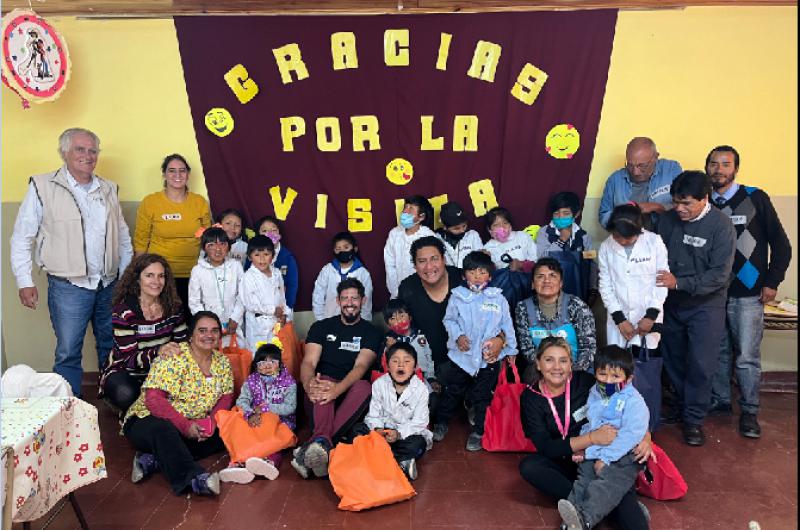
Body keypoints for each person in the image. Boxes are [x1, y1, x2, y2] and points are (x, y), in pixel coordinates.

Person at [10, 127, 133, 396]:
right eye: (80, 149)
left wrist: (125, 279)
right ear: (64, 152)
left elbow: (122, 237)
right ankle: (68, 409)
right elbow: (22, 237)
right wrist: (24, 281)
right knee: (68, 351)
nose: (87, 156)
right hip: (68, 287)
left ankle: (114, 401)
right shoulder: (43, 186)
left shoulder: (108, 189)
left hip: (109, 284)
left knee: (111, 346)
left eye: (92, 151)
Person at [520, 337, 651, 530]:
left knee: (632, 522)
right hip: (568, 458)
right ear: (538, 363)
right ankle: (600, 504)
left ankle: (596, 505)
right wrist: (590, 439)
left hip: (604, 456)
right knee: (530, 467)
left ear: (571, 364)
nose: (557, 367)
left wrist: (646, 437)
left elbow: (628, 408)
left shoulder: (588, 382)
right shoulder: (530, 398)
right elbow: (546, 447)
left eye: (563, 360)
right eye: (549, 360)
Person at [705, 146, 792, 438]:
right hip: (714, 293)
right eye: (714, 164)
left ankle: (750, 411)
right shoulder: (703, 202)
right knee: (718, 351)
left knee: (746, 356)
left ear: (736, 169)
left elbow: (782, 245)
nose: (719, 169)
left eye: (725, 164)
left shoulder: (756, 198)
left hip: (748, 293)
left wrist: (772, 282)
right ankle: (720, 402)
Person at [656, 170, 736, 446]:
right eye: (676, 202)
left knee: (701, 363)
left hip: (706, 305)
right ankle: (679, 406)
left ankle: (693, 420)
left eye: (687, 203)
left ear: (705, 199)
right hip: (672, 304)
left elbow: (719, 276)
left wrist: (679, 282)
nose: (680, 208)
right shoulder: (667, 221)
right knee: (674, 359)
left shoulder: (721, 226)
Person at [122, 311, 233, 497]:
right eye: (202, 330)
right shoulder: (174, 356)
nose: (209, 335)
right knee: (164, 431)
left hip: (193, 422)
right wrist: (185, 426)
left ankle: (152, 459)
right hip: (148, 420)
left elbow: (226, 396)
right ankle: (195, 479)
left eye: (214, 331)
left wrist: (212, 423)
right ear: (191, 334)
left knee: (225, 431)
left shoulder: (222, 362)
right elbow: (154, 400)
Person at [292, 278, 383, 479]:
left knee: (364, 386)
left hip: (350, 396)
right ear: (338, 301)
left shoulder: (371, 332)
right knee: (322, 380)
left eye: (354, 298)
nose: (350, 302)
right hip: (319, 396)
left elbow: (361, 367)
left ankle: (315, 446)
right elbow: (308, 363)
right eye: (345, 298)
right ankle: (323, 444)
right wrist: (309, 385)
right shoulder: (321, 327)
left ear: (363, 300)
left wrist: (337, 390)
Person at [557, 346, 650, 530]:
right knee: (583, 482)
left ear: (629, 378)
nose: (607, 381)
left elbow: (630, 435)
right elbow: (592, 423)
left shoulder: (634, 401)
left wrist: (606, 458)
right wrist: (586, 448)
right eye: (602, 374)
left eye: (615, 377)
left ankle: (585, 520)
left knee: (604, 486)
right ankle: (570, 523)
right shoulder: (595, 392)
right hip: (596, 450)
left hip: (624, 455)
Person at [434, 251, 517, 451]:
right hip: (462, 356)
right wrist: (458, 336)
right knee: (453, 390)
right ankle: (442, 422)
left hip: (488, 358)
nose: (477, 276)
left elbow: (507, 325)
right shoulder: (457, 297)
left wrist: (512, 349)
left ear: (490, 275)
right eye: (472, 271)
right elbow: (449, 320)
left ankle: (479, 431)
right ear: (464, 276)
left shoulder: (498, 299)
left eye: (482, 272)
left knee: (483, 396)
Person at [99, 254, 187, 413]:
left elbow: (183, 344)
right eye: (149, 275)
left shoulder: (174, 307)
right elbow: (129, 360)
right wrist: (159, 351)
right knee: (125, 394)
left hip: (163, 371)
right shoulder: (124, 312)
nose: (156, 282)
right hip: (127, 372)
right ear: (137, 279)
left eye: (161, 276)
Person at [134, 153, 211, 309]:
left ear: (188, 174)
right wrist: (138, 275)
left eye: (182, 170)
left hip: (195, 273)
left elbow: (207, 239)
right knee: (163, 320)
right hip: (159, 276)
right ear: (164, 174)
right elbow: (141, 240)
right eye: (172, 170)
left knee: (192, 321)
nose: (177, 175)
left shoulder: (199, 202)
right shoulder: (150, 202)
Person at [219, 341, 297, 484]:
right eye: (262, 362)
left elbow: (290, 407)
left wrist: (266, 409)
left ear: (280, 364)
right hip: (255, 418)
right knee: (237, 422)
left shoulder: (288, 382)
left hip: (280, 421)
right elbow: (242, 401)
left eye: (272, 362)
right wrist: (250, 414)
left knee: (273, 440)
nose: (267, 366)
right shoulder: (251, 381)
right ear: (256, 366)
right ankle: (237, 463)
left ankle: (269, 463)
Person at [355, 342, 432, 481]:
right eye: (395, 361)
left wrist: (398, 434)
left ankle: (379, 459)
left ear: (415, 366)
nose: (401, 365)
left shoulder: (421, 389)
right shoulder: (379, 384)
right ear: (388, 366)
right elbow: (373, 414)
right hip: (381, 434)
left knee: (418, 444)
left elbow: (420, 422)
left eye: (407, 361)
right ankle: (400, 461)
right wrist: (378, 430)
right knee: (357, 431)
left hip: (403, 436)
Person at [598, 204, 668, 351]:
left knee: (646, 365)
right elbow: (605, 285)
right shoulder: (606, 247)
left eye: (628, 238)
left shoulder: (655, 242)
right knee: (618, 366)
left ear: (639, 230)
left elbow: (662, 281)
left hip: (648, 316)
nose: (622, 241)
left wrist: (651, 316)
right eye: (617, 237)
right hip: (618, 319)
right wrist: (619, 319)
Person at [515, 258, 597, 375]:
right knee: (530, 374)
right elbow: (527, 349)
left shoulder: (576, 305)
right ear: (533, 284)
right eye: (540, 276)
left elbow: (588, 347)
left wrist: (572, 372)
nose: (546, 280)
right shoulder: (523, 308)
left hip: (575, 368)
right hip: (543, 370)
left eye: (552, 275)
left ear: (561, 283)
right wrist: (549, 370)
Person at [598, 137, 683, 231]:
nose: (635, 172)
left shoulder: (671, 170)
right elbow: (604, 217)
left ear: (656, 157)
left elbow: (684, 205)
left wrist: (659, 207)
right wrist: (624, 216)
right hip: (629, 240)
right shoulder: (615, 180)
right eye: (630, 165)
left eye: (642, 166)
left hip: (666, 238)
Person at [536, 191, 598, 304]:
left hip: (577, 288)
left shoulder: (583, 236)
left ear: (576, 214)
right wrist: (561, 240)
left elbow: (591, 263)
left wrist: (593, 288)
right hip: (550, 290)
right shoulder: (544, 232)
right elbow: (540, 259)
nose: (560, 217)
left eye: (566, 213)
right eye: (556, 213)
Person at [188, 226, 244, 344]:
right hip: (209, 329)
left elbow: (243, 295)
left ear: (228, 247)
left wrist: (235, 318)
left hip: (232, 324)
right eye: (211, 245)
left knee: (235, 356)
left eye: (223, 244)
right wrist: (209, 324)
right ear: (204, 248)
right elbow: (194, 302)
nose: (218, 249)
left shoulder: (235, 266)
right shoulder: (198, 270)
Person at [238, 235, 290, 352]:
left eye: (266, 255)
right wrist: (273, 310)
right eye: (257, 255)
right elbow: (250, 304)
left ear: (273, 256)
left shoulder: (276, 273)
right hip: (258, 326)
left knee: (277, 356)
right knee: (259, 357)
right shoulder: (248, 277)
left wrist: (284, 314)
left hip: (276, 324)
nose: (262, 259)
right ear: (250, 257)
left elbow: (282, 298)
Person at [312, 231, 374, 322]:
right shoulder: (327, 270)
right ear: (334, 251)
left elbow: (366, 302)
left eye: (346, 247)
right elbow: (318, 296)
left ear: (355, 249)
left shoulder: (363, 273)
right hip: (329, 320)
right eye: (338, 248)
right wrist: (321, 320)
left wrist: (363, 324)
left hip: (355, 323)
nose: (342, 251)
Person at [384, 195, 436, 298]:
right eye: (405, 207)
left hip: (423, 293)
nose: (405, 211)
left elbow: (433, 268)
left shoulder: (428, 236)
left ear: (421, 217)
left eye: (411, 208)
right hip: (398, 292)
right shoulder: (395, 233)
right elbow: (389, 264)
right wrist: (396, 291)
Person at [382, 298, 436, 389]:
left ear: (410, 317)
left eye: (402, 316)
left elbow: (428, 357)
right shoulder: (389, 342)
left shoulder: (420, 336)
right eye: (393, 318)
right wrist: (389, 349)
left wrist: (431, 378)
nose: (399, 321)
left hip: (423, 379)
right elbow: (385, 364)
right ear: (388, 325)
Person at [254, 215, 299, 309]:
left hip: (282, 309)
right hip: (258, 310)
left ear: (279, 234)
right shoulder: (252, 256)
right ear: (258, 234)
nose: (269, 234)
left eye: (274, 230)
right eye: (264, 231)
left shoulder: (288, 257)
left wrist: (286, 308)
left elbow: (292, 285)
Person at [482, 206, 537, 271]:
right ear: (489, 229)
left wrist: (522, 265)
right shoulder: (487, 248)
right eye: (496, 225)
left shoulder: (522, 236)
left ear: (510, 225)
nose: (502, 227)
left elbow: (536, 260)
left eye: (505, 223)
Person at [435, 201, 483, 268]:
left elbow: (481, 260)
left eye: (464, 226)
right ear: (445, 227)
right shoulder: (437, 239)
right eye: (456, 228)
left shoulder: (473, 235)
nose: (462, 230)